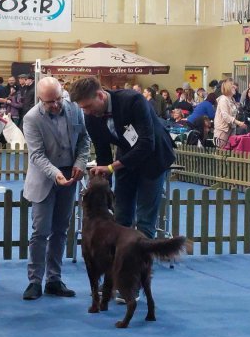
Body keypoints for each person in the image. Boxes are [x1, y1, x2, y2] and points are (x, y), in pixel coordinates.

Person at [69, 77, 175, 266]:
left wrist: (111, 167)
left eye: (87, 106)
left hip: (154, 157)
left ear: (100, 96)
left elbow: (146, 143)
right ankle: (119, 267)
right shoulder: (91, 116)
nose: (86, 111)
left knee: (144, 220)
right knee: (121, 215)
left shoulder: (133, 101)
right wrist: (104, 185)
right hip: (126, 159)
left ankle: (138, 271)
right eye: (82, 108)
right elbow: (102, 153)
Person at [21, 77, 90, 301]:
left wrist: (79, 164)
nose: (56, 104)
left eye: (59, 98)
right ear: (40, 99)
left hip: (70, 177)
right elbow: (37, 155)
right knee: (40, 232)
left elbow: (84, 140)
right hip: (44, 179)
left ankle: (54, 279)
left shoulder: (74, 109)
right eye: (50, 102)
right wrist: (56, 174)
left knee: (61, 230)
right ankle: (34, 281)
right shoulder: (31, 118)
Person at [214, 79, 245, 148]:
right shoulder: (223, 99)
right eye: (232, 86)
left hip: (231, 128)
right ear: (228, 87)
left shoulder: (232, 99)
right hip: (223, 129)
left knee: (230, 150)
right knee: (221, 150)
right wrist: (238, 122)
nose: (235, 88)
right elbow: (225, 116)